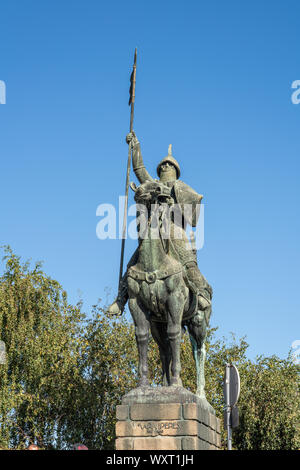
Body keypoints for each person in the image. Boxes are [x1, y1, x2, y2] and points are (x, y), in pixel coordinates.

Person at [107, 131, 212, 323]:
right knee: (135, 261)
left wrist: (173, 205)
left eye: (169, 164)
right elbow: (139, 170)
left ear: (175, 169)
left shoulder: (181, 187)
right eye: (163, 164)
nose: (165, 165)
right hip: (154, 229)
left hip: (175, 231)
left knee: (188, 263)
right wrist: (135, 146)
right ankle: (121, 299)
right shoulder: (152, 184)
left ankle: (202, 293)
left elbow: (194, 213)